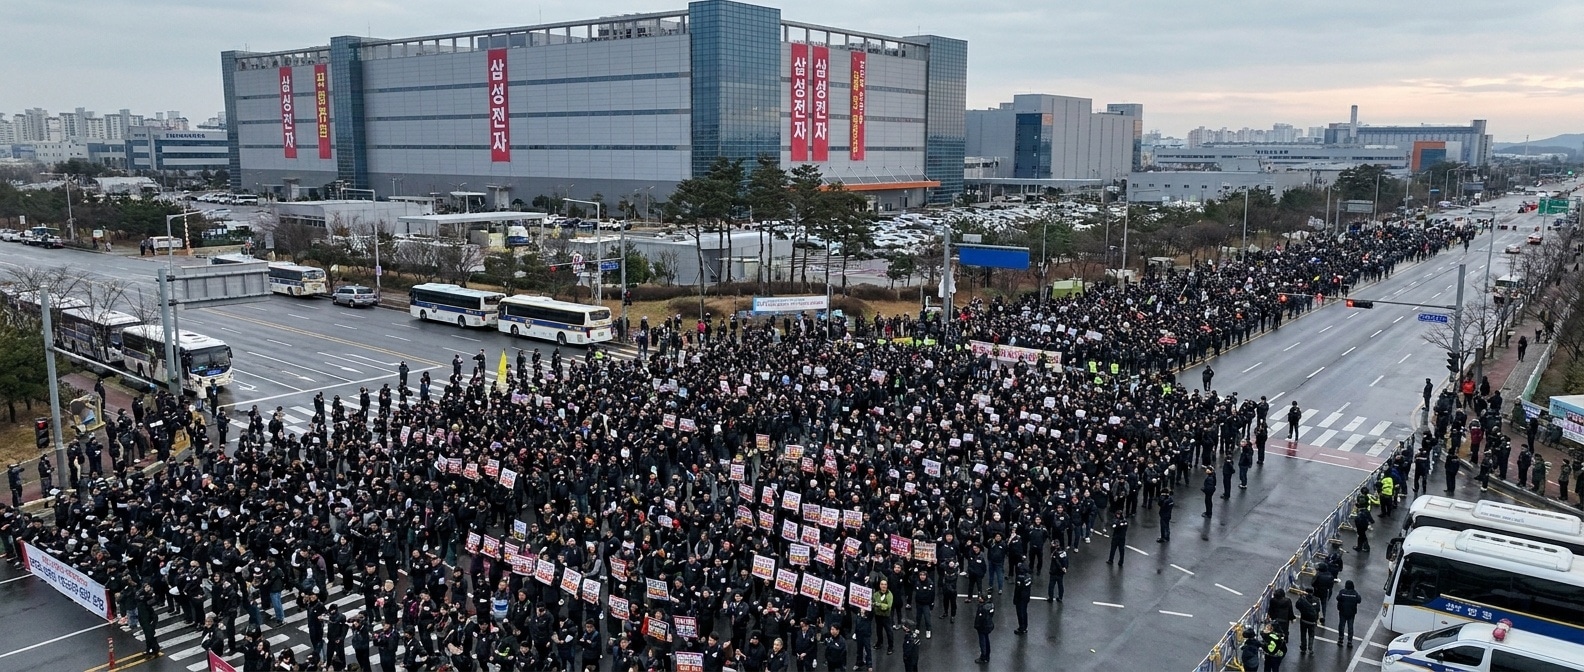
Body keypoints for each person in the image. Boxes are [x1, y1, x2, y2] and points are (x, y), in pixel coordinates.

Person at [1335, 580, 1362, 646]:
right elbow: (1359, 600)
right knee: (1350, 627)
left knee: (1341, 625)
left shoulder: (1342, 592)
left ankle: (1340, 639)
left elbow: (1338, 598)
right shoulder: (1355, 593)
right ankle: (1349, 641)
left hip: (1342, 611)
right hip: (1351, 613)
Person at [972, 594, 995, 665]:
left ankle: (983, 656)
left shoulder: (982, 608)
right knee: (987, 640)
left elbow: (980, 619)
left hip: (982, 627)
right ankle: (987, 656)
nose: (979, 598)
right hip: (988, 625)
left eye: (980, 598)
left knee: (982, 641)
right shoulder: (990, 606)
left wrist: (976, 626)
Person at [1295, 589, 1320, 654]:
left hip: (1304, 620)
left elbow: (1297, 606)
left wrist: (1300, 598)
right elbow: (1318, 610)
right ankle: (1310, 648)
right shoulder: (1316, 600)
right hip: (1312, 621)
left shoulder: (1304, 600)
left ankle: (1303, 647)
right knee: (1311, 635)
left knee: (1303, 634)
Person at [1012, 565, 1032, 635]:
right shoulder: (1028, 576)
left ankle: (1021, 628)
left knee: (1020, 613)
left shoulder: (1019, 578)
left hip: (1020, 598)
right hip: (1026, 597)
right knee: (1024, 612)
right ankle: (1025, 627)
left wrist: (1015, 599)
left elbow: (1017, 590)